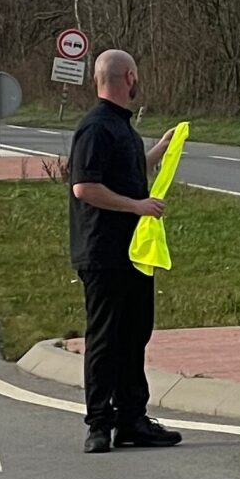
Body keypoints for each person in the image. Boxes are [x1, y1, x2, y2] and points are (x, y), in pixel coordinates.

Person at [67, 49, 183, 452]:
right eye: (137, 76)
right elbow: (85, 186)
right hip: (103, 253)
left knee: (135, 334)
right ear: (128, 76)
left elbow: (128, 175)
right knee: (105, 338)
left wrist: (159, 152)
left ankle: (132, 418)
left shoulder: (122, 128)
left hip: (134, 253)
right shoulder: (96, 128)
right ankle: (99, 423)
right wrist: (137, 206)